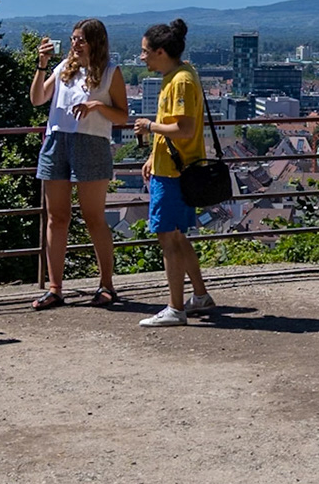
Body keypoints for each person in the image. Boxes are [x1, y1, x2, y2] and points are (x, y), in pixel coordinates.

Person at [29, 19, 126, 309]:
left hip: (91, 142)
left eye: (81, 39)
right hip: (58, 141)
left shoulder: (111, 73)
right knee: (56, 217)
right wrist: (42, 65)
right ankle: (55, 288)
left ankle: (106, 284)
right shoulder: (63, 69)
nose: (75, 44)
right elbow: (37, 99)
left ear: (96, 42)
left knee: (93, 217)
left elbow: (122, 116)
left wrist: (97, 106)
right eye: (73, 39)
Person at [134, 19, 215, 326]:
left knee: (168, 238)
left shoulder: (179, 81)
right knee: (179, 238)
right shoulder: (181, 73)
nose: (142, 57)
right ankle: (199, 295)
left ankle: (175, 308)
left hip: (173, 174)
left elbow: (184, 129)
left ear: (161, 51)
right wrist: (154, 157)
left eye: (145, 51)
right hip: (171, 167)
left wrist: (148, 126)